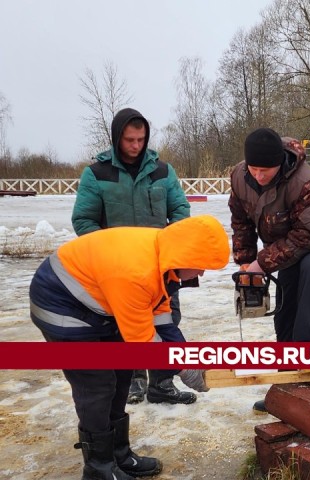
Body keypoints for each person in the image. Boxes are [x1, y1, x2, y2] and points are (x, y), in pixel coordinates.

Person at [30, 214, 230, 480]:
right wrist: (183, 368)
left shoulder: (164, 264)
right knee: (97, 384)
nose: (202, 273)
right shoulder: (137, 272)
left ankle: (119, 455)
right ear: (186, 257)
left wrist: (186, 357)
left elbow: (162, 322)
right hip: (60, 304)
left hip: (99, 304)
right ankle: (99, 468)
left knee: (123, 372)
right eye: (202, 266)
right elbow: (143, 341)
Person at [72, 107, 195, 406]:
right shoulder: (97, 173)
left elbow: (180, 211)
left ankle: (162, 384)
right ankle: (133, 381)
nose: (136, 146)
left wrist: (173, 247)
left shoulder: (163, 171)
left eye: (141, 139)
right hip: (117, 270)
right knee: (123, 325)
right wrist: (109, 253)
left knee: (167, 319)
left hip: (159, 267)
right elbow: (83, 221)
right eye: (129, 139)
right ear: (117, 139)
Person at [228, 127, 310, 413]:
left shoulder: (307, 182)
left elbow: (308, 236)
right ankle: (286, 381)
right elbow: (241, 223)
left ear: (280, 163)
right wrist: (246, 263)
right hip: (283, 248)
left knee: (309, 271)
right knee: (285, 306)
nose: (259, 176)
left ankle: (308, 368)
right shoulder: (239, 178)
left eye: (265, 170)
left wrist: (262, 262)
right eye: (254, 169)